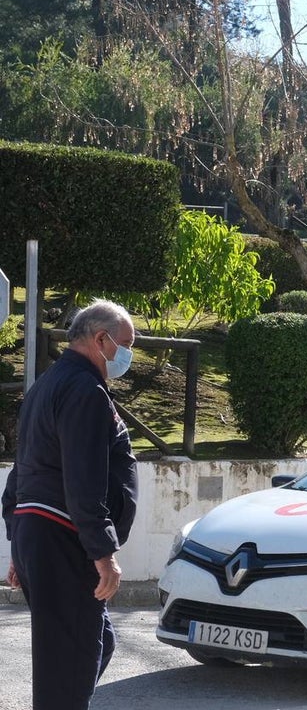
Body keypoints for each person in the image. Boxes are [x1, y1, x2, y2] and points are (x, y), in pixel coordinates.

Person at [1, 299, 139, 710]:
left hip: (42, 535)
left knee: (94, 644)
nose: (128, 355)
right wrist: (103, 553)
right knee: (68, 664)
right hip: (64, 538)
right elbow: (84, 478)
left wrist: (20, 541)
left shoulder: (48, 384)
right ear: (101, 339)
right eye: (126, 345)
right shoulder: (84, 390)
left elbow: (22, 471)